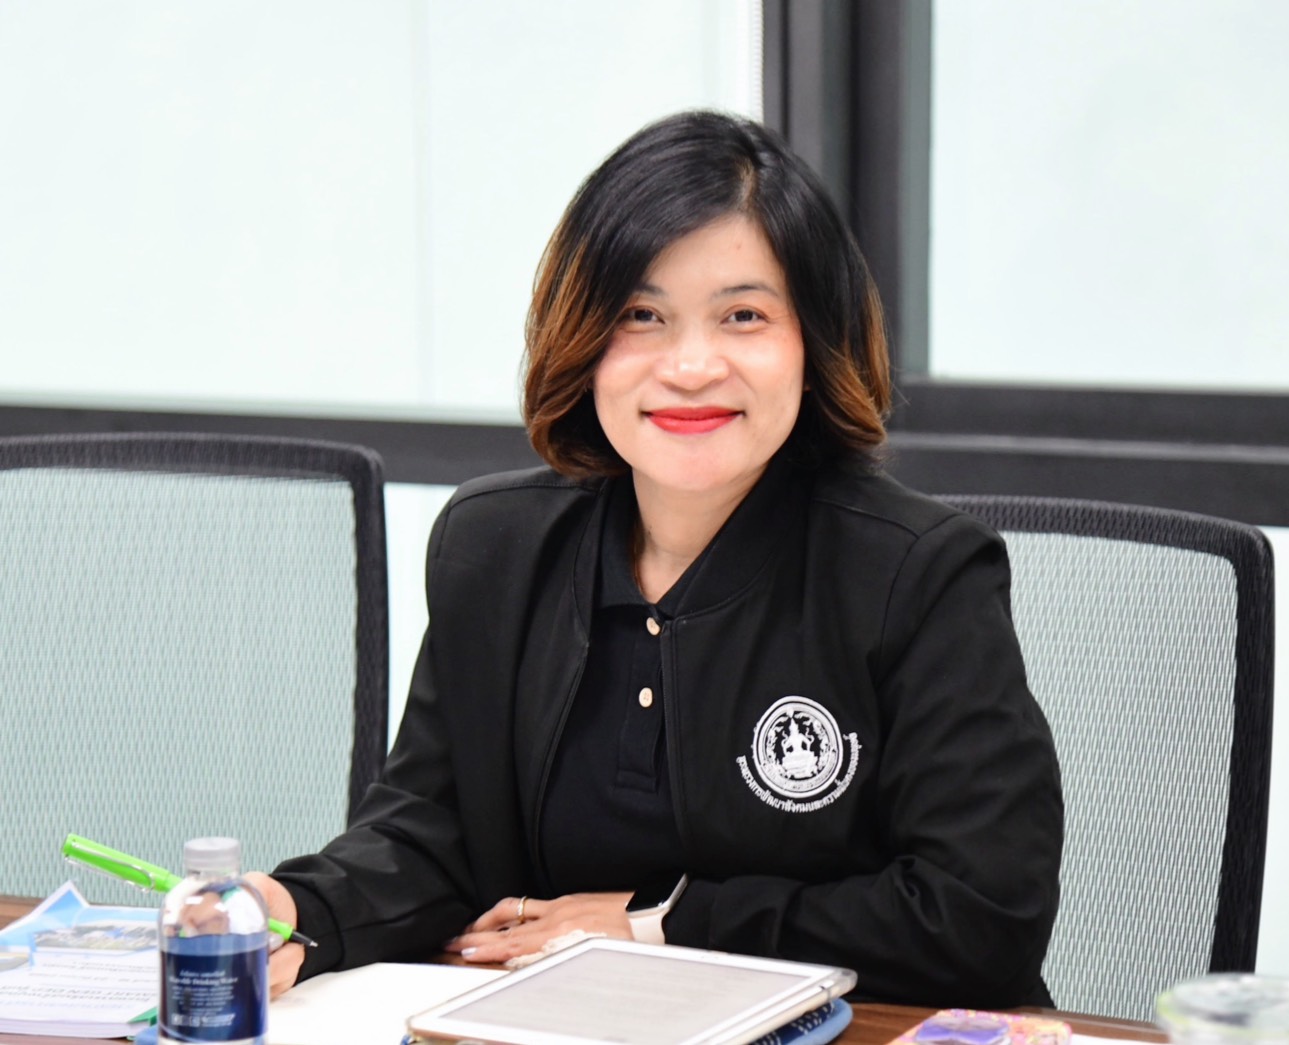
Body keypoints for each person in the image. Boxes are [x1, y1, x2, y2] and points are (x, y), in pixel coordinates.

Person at [250, 109, 1063, 1007]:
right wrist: (296, 907)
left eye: (743, 315)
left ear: (813, 341)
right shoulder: (495, 547)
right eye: (641, 315)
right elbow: (430, 836)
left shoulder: (919, 572)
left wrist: (659, 926)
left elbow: (978, 917)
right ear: (582, 337)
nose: (690, 365)